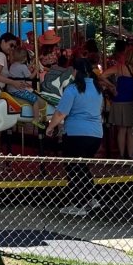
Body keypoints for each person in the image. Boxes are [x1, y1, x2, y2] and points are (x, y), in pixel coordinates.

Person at [46, 59, 105, 216]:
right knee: (82, 166)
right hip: (95, 134)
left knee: (72, 167)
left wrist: (50, 127)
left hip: (76, 133)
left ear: (76, 71)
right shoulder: (98, 88)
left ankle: (79, 204)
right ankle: (91, 198)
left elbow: (61, 113)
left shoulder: (73, 89)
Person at [7, 47, 47, 129]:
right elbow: (31, 77)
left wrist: (32, 63)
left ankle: (19, 118)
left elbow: (24, 69)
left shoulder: (13, 65)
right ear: (25, 58)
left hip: (10, 89)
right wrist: (36, 69)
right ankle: (36, 119)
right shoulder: (22, 67)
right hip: (18, 90)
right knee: (35, 99)